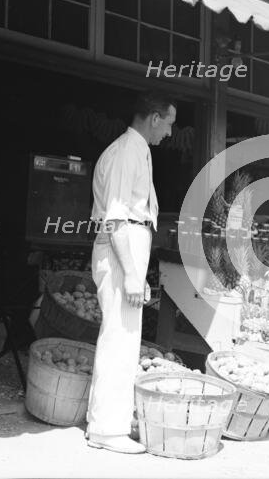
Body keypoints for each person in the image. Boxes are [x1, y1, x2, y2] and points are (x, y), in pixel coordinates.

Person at [86, 91, 177, 454]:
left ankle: (106, 423)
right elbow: (117, 216)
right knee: (120, 340)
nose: (170, 132)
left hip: (126, 246)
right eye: (168, 123)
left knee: (121, 338)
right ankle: (108, 430)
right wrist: (132, 274)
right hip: (121, 245)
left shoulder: (135, 150)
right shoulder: (127, 151)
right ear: (154, 117)